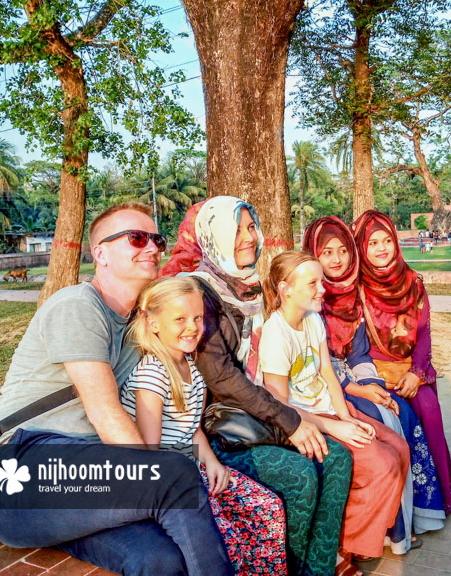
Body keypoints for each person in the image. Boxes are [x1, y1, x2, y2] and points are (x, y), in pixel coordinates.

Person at [0, 202, 232, 576]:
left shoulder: (135, 326)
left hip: (81, 482)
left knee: (160, 560)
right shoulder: (78, 305)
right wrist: (161, 478)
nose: (153, 248)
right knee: (173, 476)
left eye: (157, 240)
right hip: (18, 472)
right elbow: (105, 412)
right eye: (136, 238)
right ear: (101, 253)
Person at [161, 196, 353, 576]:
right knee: (300, 475)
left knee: (338, 458)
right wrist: (292, 421)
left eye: (251, 227)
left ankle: (317, 570)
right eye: (236, 230)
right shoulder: (200, 293)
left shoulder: (250, 289)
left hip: (260, 413)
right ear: (212, 235)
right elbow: (221, 378)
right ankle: (292, 568)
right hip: (219, 429)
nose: (248, 237)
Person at [120, 276, 287, 575]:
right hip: (169, 481)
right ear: (155, 324)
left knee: (267, 506)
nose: (192, 327)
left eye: (197, 317)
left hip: (192, 467)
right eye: (180, 319)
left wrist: (212, 464)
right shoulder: (152, 377)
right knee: (229, 537)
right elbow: (149, 452)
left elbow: (192, 428)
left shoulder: (192, 369)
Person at [304, 217, 446, 553]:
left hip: (355, 378)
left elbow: (358, 352)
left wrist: (373, 384)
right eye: (327, 252)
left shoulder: (351, 293)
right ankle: (390, 528)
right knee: (386, 421)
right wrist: (362, 390)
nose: (337, 260)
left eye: (342, 251)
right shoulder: (309, 295)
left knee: (403, 414)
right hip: (322, 388)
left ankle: (413, 515)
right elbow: (315, 363)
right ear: (313, 254)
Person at [260, 250, 409, 564]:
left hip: (331, 411)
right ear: (286, 289)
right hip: (307, 421)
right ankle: (344, 545)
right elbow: (278, 403)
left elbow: (327, 371)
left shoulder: (312, 319)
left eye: (321, 281)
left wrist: (346, 416)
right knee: (381, 463)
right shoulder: (276, 334)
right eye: (312, 283)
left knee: (399, 447)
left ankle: (359, 535)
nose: (322, 289)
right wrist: (334, 426)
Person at [352, 210, 451, 515]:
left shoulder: (412, 282)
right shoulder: (355, 288)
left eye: (387, 241)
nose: (382, 248)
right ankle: (401, 509)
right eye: (373, 243)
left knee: (428, 407)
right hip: (373, 373)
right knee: (399, 417)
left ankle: (437, 500)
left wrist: (417, 373)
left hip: (411, 371)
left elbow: (424, 333)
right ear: (362, 247)